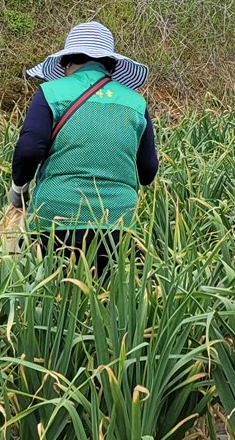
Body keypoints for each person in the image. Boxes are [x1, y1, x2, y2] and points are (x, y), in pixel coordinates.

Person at [11, 21, 159, 277]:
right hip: (117, 223)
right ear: (111, 66)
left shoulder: (50, 92)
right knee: (108, 305)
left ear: (66, 63)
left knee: (52, 305)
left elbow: (28, 151)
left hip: (55, 219)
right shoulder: (135, 102)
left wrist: (18, 191)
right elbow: (147, 172)